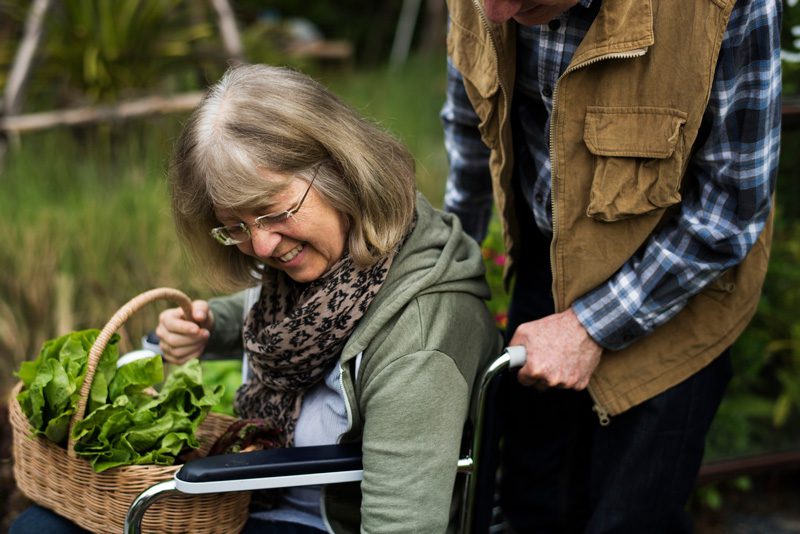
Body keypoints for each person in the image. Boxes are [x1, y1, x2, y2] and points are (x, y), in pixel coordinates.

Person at [11, 64, 501, 533]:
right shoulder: (335, 259)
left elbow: (401, 526)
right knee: (37, 525)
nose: (262, 247)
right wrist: (206, 328)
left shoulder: (418, 341)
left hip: (321, 524)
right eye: (236, 227)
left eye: (272, 212)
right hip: (258, 500)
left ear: (339, 172)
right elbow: (284, 316)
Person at [441, 0, 781, 532]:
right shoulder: (490, 5)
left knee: (629, 519)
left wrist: (587, 328)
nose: (496, 14)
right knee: (532, 509)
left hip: (680, 297)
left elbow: (732, 208)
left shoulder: (732, 7)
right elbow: (468, 120)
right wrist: (447, 274)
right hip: (544, 273)